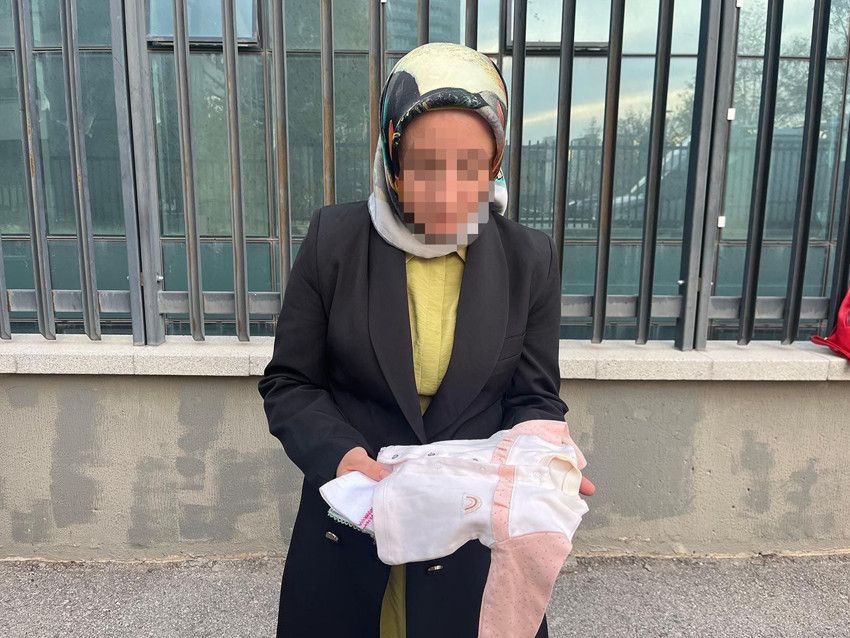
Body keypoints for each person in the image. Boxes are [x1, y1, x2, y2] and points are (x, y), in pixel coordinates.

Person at [258, 41, 595, 638]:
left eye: (470, 166)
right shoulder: (335, 240)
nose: (447, 190)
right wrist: (341, 456)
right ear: (392, 158)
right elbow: (291, 383)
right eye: (425, 165)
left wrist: (544, 460)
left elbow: (534, 399)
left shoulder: (528, 259)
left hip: (466, 538)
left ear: (495, 164)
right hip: (353, 522)